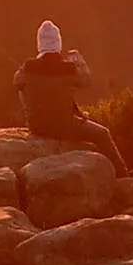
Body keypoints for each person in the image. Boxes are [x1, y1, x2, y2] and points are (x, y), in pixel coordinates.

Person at [14, 20, 124, 172]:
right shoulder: (68, 69)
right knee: (103, 134)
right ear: (58, 43)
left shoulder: (28, 68)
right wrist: (79, 61)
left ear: (39, 44)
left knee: (24, 87)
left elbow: (17, 82)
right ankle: (123, 173)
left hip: (37, 126)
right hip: (64, 126)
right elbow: (86, 80)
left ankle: (32, 115)